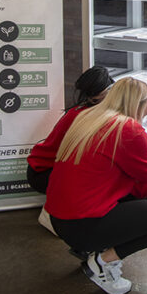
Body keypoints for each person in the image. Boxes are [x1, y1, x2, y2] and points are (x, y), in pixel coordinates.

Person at [45, 76, 147, 294]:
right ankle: (103, 262)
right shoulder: (127, 128)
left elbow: (112, 172)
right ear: (138, 104)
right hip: (83, 225)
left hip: (61, 220)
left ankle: (92, 248)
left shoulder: (88, 117)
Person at [27, 65, 115, 233]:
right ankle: (52, 214)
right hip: (43, 172)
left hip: (46, 167)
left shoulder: (84, 110)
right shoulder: (83, 117)